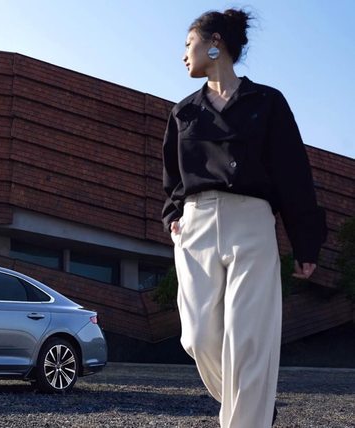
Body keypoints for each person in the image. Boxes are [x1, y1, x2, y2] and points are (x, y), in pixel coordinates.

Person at [161, 8, 328, 428]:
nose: (183, 54)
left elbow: (293, 174)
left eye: (189, 43)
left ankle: (250, 417)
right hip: (196, 226)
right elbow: (172, 177)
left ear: (214, 42)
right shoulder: (184, 111)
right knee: (197, 337)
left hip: (251, 223)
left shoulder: (267, 102)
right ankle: (256, 405)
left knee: (249, 340)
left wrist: (305, 242)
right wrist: (174, 216)